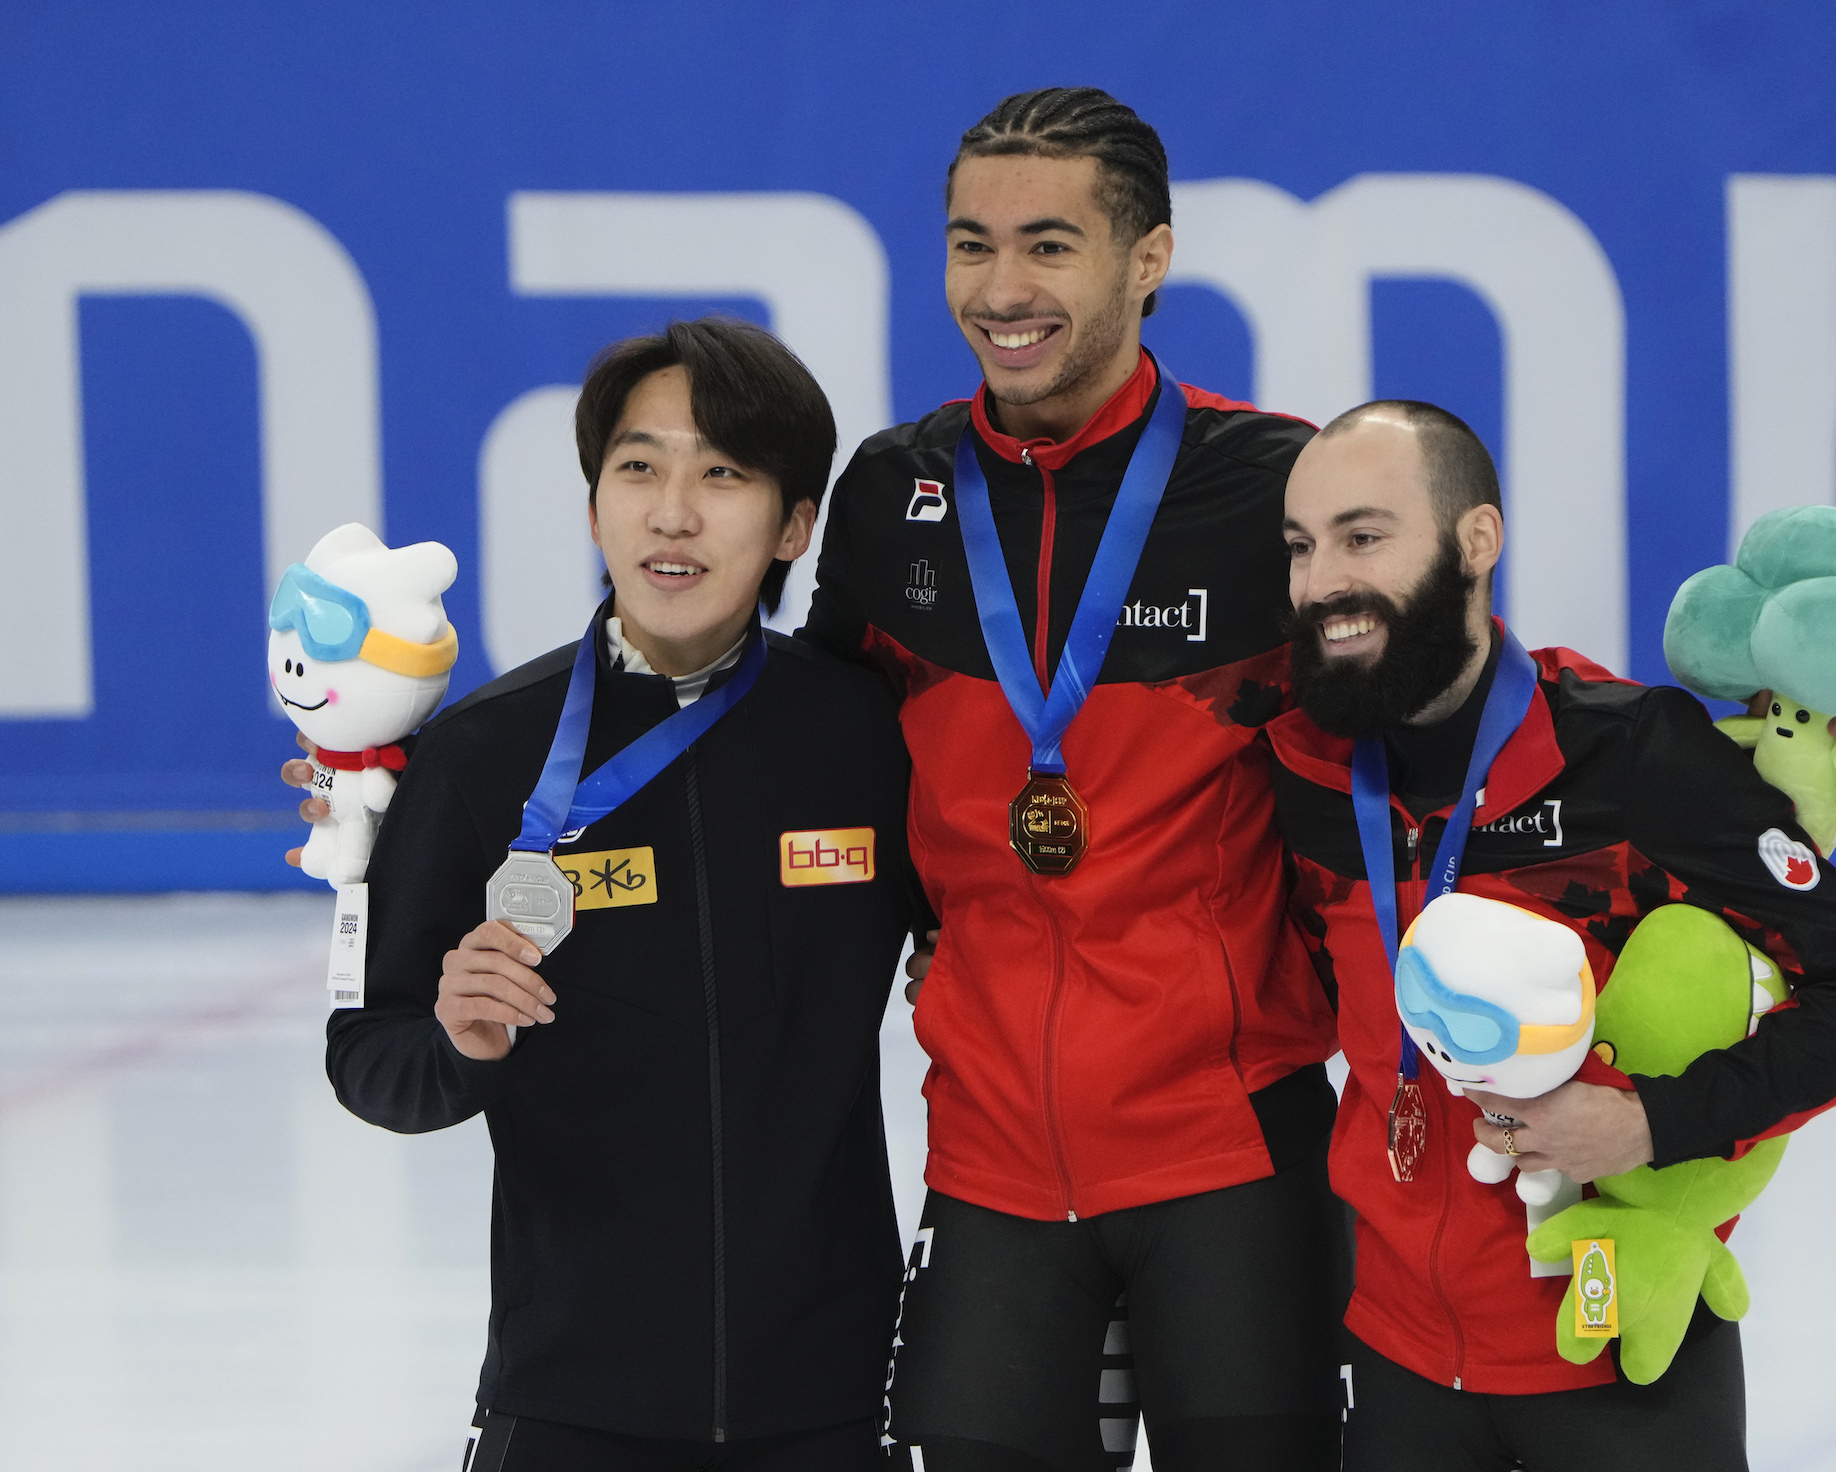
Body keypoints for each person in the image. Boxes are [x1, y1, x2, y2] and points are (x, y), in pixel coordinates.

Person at [801, 88, 1345, 1470]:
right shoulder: (893, 492)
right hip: (987, 1153)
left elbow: (1442, 717)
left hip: (1231, 1148)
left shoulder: (1275, 490)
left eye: (1048, 246)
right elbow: (796, 749)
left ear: (1147, 260)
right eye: (969, 245)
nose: (999, 290)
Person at [1266, 401, 1836, 1470]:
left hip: (1622, 1355)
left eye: (1364, 535)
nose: (1321, 581)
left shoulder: (1630, 756)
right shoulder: (1302, 763)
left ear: (1476, 539)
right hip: (1396, 1355)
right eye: (1301, 547)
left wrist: (1649, 1122)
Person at [314, 318, 920, 1470]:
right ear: (594, 503)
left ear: (795, 523)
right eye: (638, 467)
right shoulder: (485, 754)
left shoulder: (868, 738)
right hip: (570, 1400)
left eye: (724, 473)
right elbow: (369, 1056)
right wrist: (459, 1041)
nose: (673, 511)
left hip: (835, 1396)